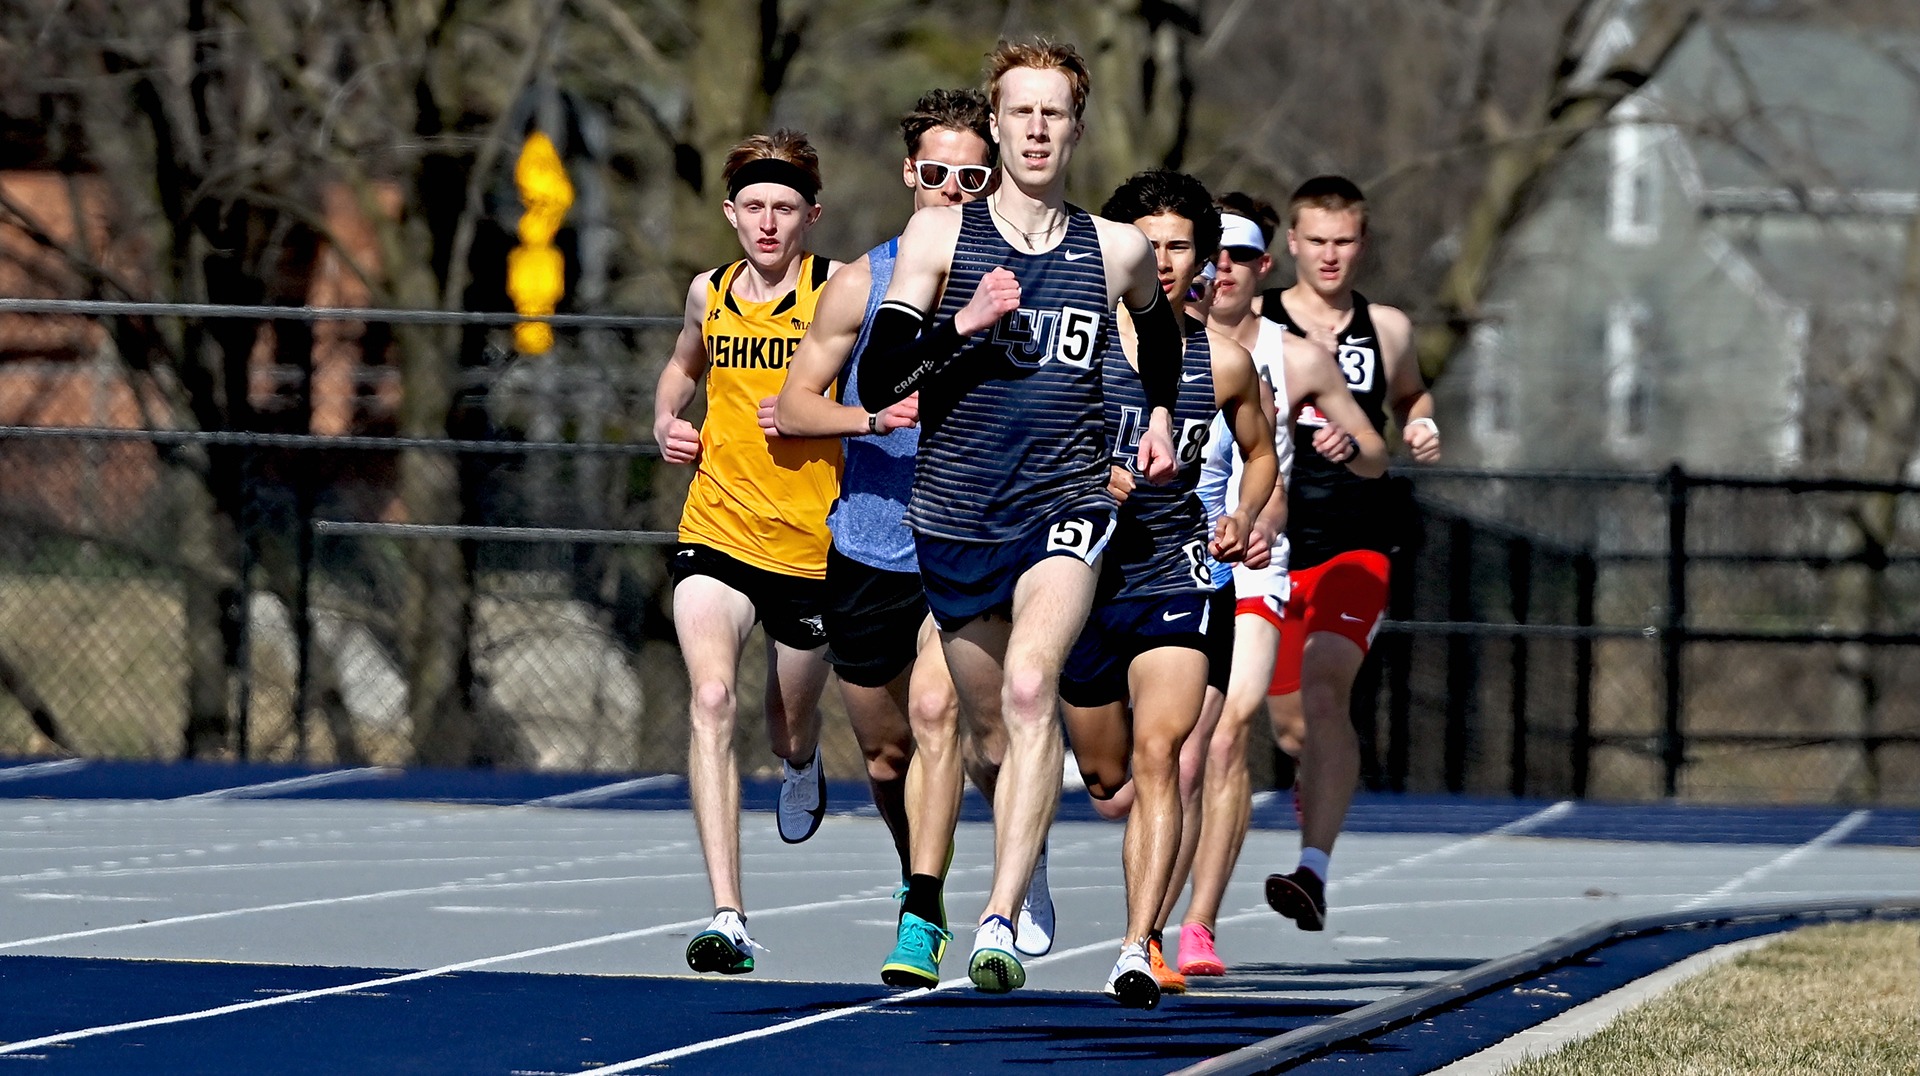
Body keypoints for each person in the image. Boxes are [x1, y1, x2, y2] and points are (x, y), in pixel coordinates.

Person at [857, 38, 1182, 995]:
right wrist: (963, 324)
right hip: (957, 516)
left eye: (1054, 113)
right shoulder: (939, 238)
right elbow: (879, 379)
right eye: (1021, 112)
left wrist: (1160, 414)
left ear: (1077, 129)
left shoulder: (1115, 249)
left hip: (1066, 503)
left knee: (1036, 687)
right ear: (995, 125)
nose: (1037, 129)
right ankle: (1024, 856)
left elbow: (1159, 331)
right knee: (991, 733)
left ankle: (994, 920)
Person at [770, 87, 996, 989]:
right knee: (886, 750)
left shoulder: (1018, 283)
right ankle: (917, 872)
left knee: (942, 713)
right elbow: (795, 407)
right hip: (868, 543)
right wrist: (868, 420)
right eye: (937, 173)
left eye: (972, 177)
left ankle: (927, 912)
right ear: (910, 173)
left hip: (971, 541)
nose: (953, 191)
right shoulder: (864, 283)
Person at [1057, 169, 1277, 1009]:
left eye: (1179, 246)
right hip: (1078, 575)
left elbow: (1261, 455)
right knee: (1107, 777)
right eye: (1147, 244)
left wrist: (1241, 514)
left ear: (1205, 261)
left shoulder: (1223, 361)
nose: (1162, 259)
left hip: (1176, 571)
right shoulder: (1077, 347)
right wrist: (1086, 481)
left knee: (1164, 755)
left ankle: (1137, 944)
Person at [1169, 193, 1386, 980]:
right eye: (1212, 253)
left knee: (1227, 737)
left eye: (1238, 255)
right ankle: (1149, 914)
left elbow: (1374, 453)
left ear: (1264, 265)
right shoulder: (1155, 342)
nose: (1222, 269)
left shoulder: (1295, 357)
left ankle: (1197, 926)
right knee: (1173, 755)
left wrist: (1349, 447)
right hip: (1169, 563)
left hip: (1258, 559)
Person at [651, 130, 843, 975]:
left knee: (785, 721)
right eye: (755, 206)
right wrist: (666, 419)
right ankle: (727, 914)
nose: (768, 223)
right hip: (718, 527)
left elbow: (883, 391)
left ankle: (802, 763)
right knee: (711, 696)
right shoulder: (711, 291)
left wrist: (815, 415)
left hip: (810, 542)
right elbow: (680, 367)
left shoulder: (839, 291)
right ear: (732, 213)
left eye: (785, 208)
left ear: (811, 216)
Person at [1259, 175, 1441, 933]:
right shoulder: (1258, 323)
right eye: (1317, 241)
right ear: (1291, 244)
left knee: (1327, 693)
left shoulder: (1387, 328)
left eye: (1344, 241)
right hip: (1271, 544)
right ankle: (1316, 780)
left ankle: (1313, 869)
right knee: (1292, 729)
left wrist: (1422, 424)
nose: (1330, 256)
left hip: (1357, 541)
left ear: (1362, 244)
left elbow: (1411, 396)